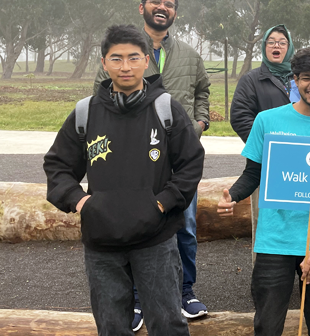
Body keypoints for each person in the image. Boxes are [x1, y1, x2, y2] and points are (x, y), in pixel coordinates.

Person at [44, 24, 205, 336]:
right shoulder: (85, 113)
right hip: (102, 243)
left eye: (133, 58)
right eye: (116, 59)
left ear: (147, 61)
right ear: (104, 63)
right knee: (112, 326)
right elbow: (57, 166)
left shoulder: (166, 109)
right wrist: (81, 202)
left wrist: (162, 202)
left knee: (168, 324)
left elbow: (191, 163)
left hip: (155, 240)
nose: (125, 66)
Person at [93, 0, 211, 329]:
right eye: (155, 2)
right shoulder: (123, 50)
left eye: (169, 5)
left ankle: (184, 290)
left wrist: (199, 121)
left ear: (175, 12)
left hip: (178, 158)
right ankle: (138, 300)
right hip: (133, 159)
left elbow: (202, 89)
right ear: (141, 6)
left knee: (185, 226)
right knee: (132, 226)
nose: (162, 8)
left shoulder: (190, 54)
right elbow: (101, 97)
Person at [217, 47, 310, 336]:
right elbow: (253, 173)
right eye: (305, 78)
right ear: (294, 80)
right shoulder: (267, 121)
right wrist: (234, 194)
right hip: (273, 242)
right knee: (267, 327)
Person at [230, 24, 299, 142]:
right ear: (264, 46)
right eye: (271, 42)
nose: (276, 45)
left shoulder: (302, 78)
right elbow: (240, 117)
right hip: (266, 152)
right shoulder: (250, 80)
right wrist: (265, 144)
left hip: (301, 150)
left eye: (282, 43)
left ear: (289, 47)